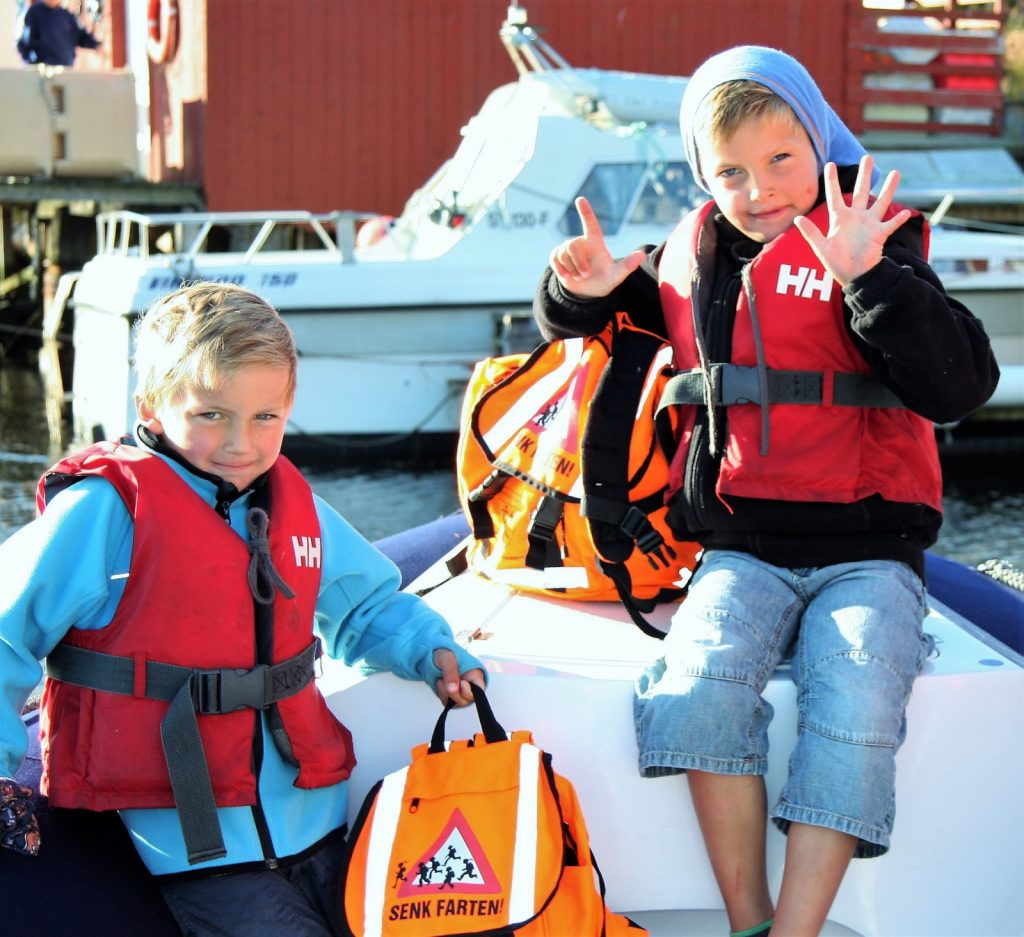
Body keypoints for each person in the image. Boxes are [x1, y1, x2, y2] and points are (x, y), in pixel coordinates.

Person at [535, 45, 998, 937]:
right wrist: (571, 291)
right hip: (741, 548)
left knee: (857, 698)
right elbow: (587, 316)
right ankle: (748, 924)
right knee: (697, 684)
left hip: (871, 551)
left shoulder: (876, 236)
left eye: (782, 160)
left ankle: (795, 931)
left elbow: (960, 382)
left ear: (820, 143)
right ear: (704, 177)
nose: (759, 188)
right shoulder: (689, 252)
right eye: (731, 172)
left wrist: (871, 277)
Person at [0, 282, 486, 936]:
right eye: (210, 414)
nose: (239, 443)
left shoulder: (294, 502)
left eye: (265, 417)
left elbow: (363, 606)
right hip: (188, 827)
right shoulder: (105, 510)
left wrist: (433, 652)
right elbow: (7, 631)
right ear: (151, 403)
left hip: (313, 818)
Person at [16, 0, 100, 67]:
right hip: (43, 71)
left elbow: (80, 36)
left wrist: (97, 45)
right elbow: (24, 43)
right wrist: (32, 62)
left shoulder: (66, 15)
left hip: (66, 69)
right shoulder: (34, 13)